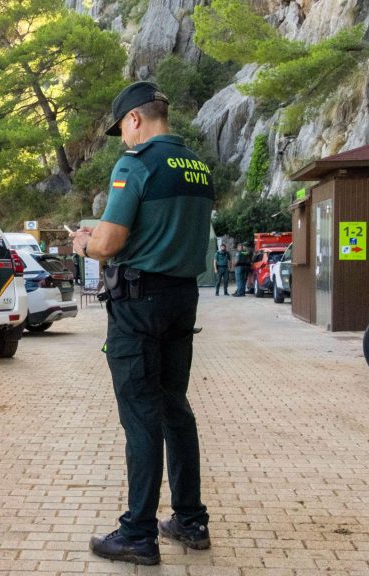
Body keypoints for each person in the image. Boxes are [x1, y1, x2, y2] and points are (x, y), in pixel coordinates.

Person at [71, 81, 213, 566]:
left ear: (134, 119)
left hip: (138, 305)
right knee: (176, 407)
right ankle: (191, 520)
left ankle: (137, 533)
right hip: (183, 299)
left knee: (141, 415)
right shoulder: (197, 167)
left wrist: (85, 243)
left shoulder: (136, 163)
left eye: (122, 131)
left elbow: (109, 243)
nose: (123, 141)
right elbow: (164, 230)